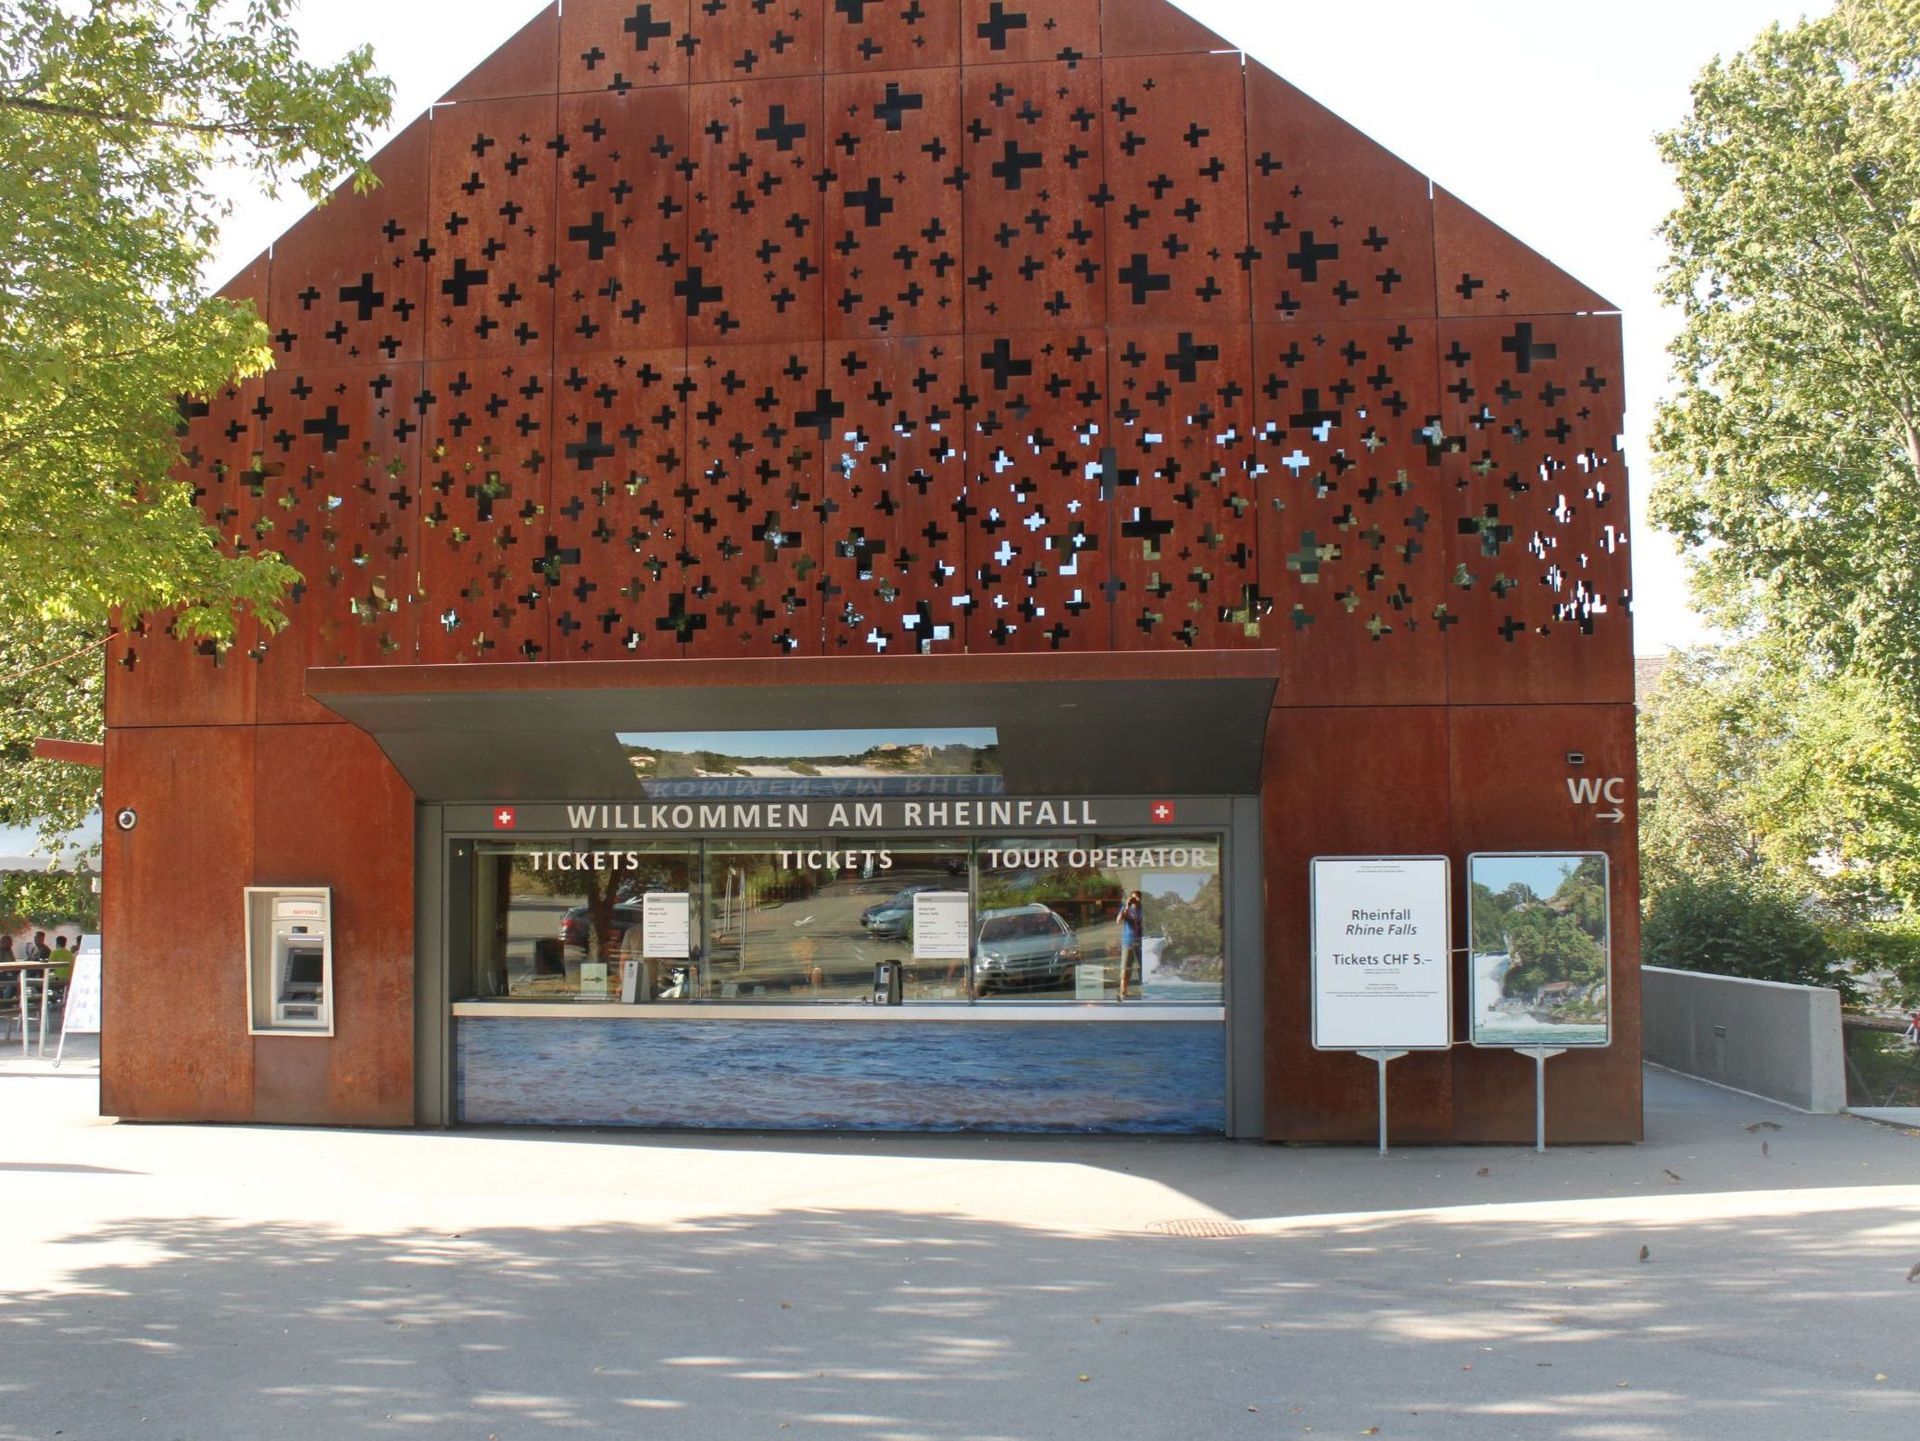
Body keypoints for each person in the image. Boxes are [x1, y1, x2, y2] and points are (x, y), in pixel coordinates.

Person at [1116, 891, 1143, 1002]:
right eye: (1133, 898)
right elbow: (1118, 921)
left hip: (1141, 941)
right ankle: (1123, 992)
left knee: (1143, 968)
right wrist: (1126, 906)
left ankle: (1146, 991)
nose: (1135, 900)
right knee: (1125, 968)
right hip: (1128, 941)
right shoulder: (1126, 908)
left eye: (1137, 898)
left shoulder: (1143, 909)